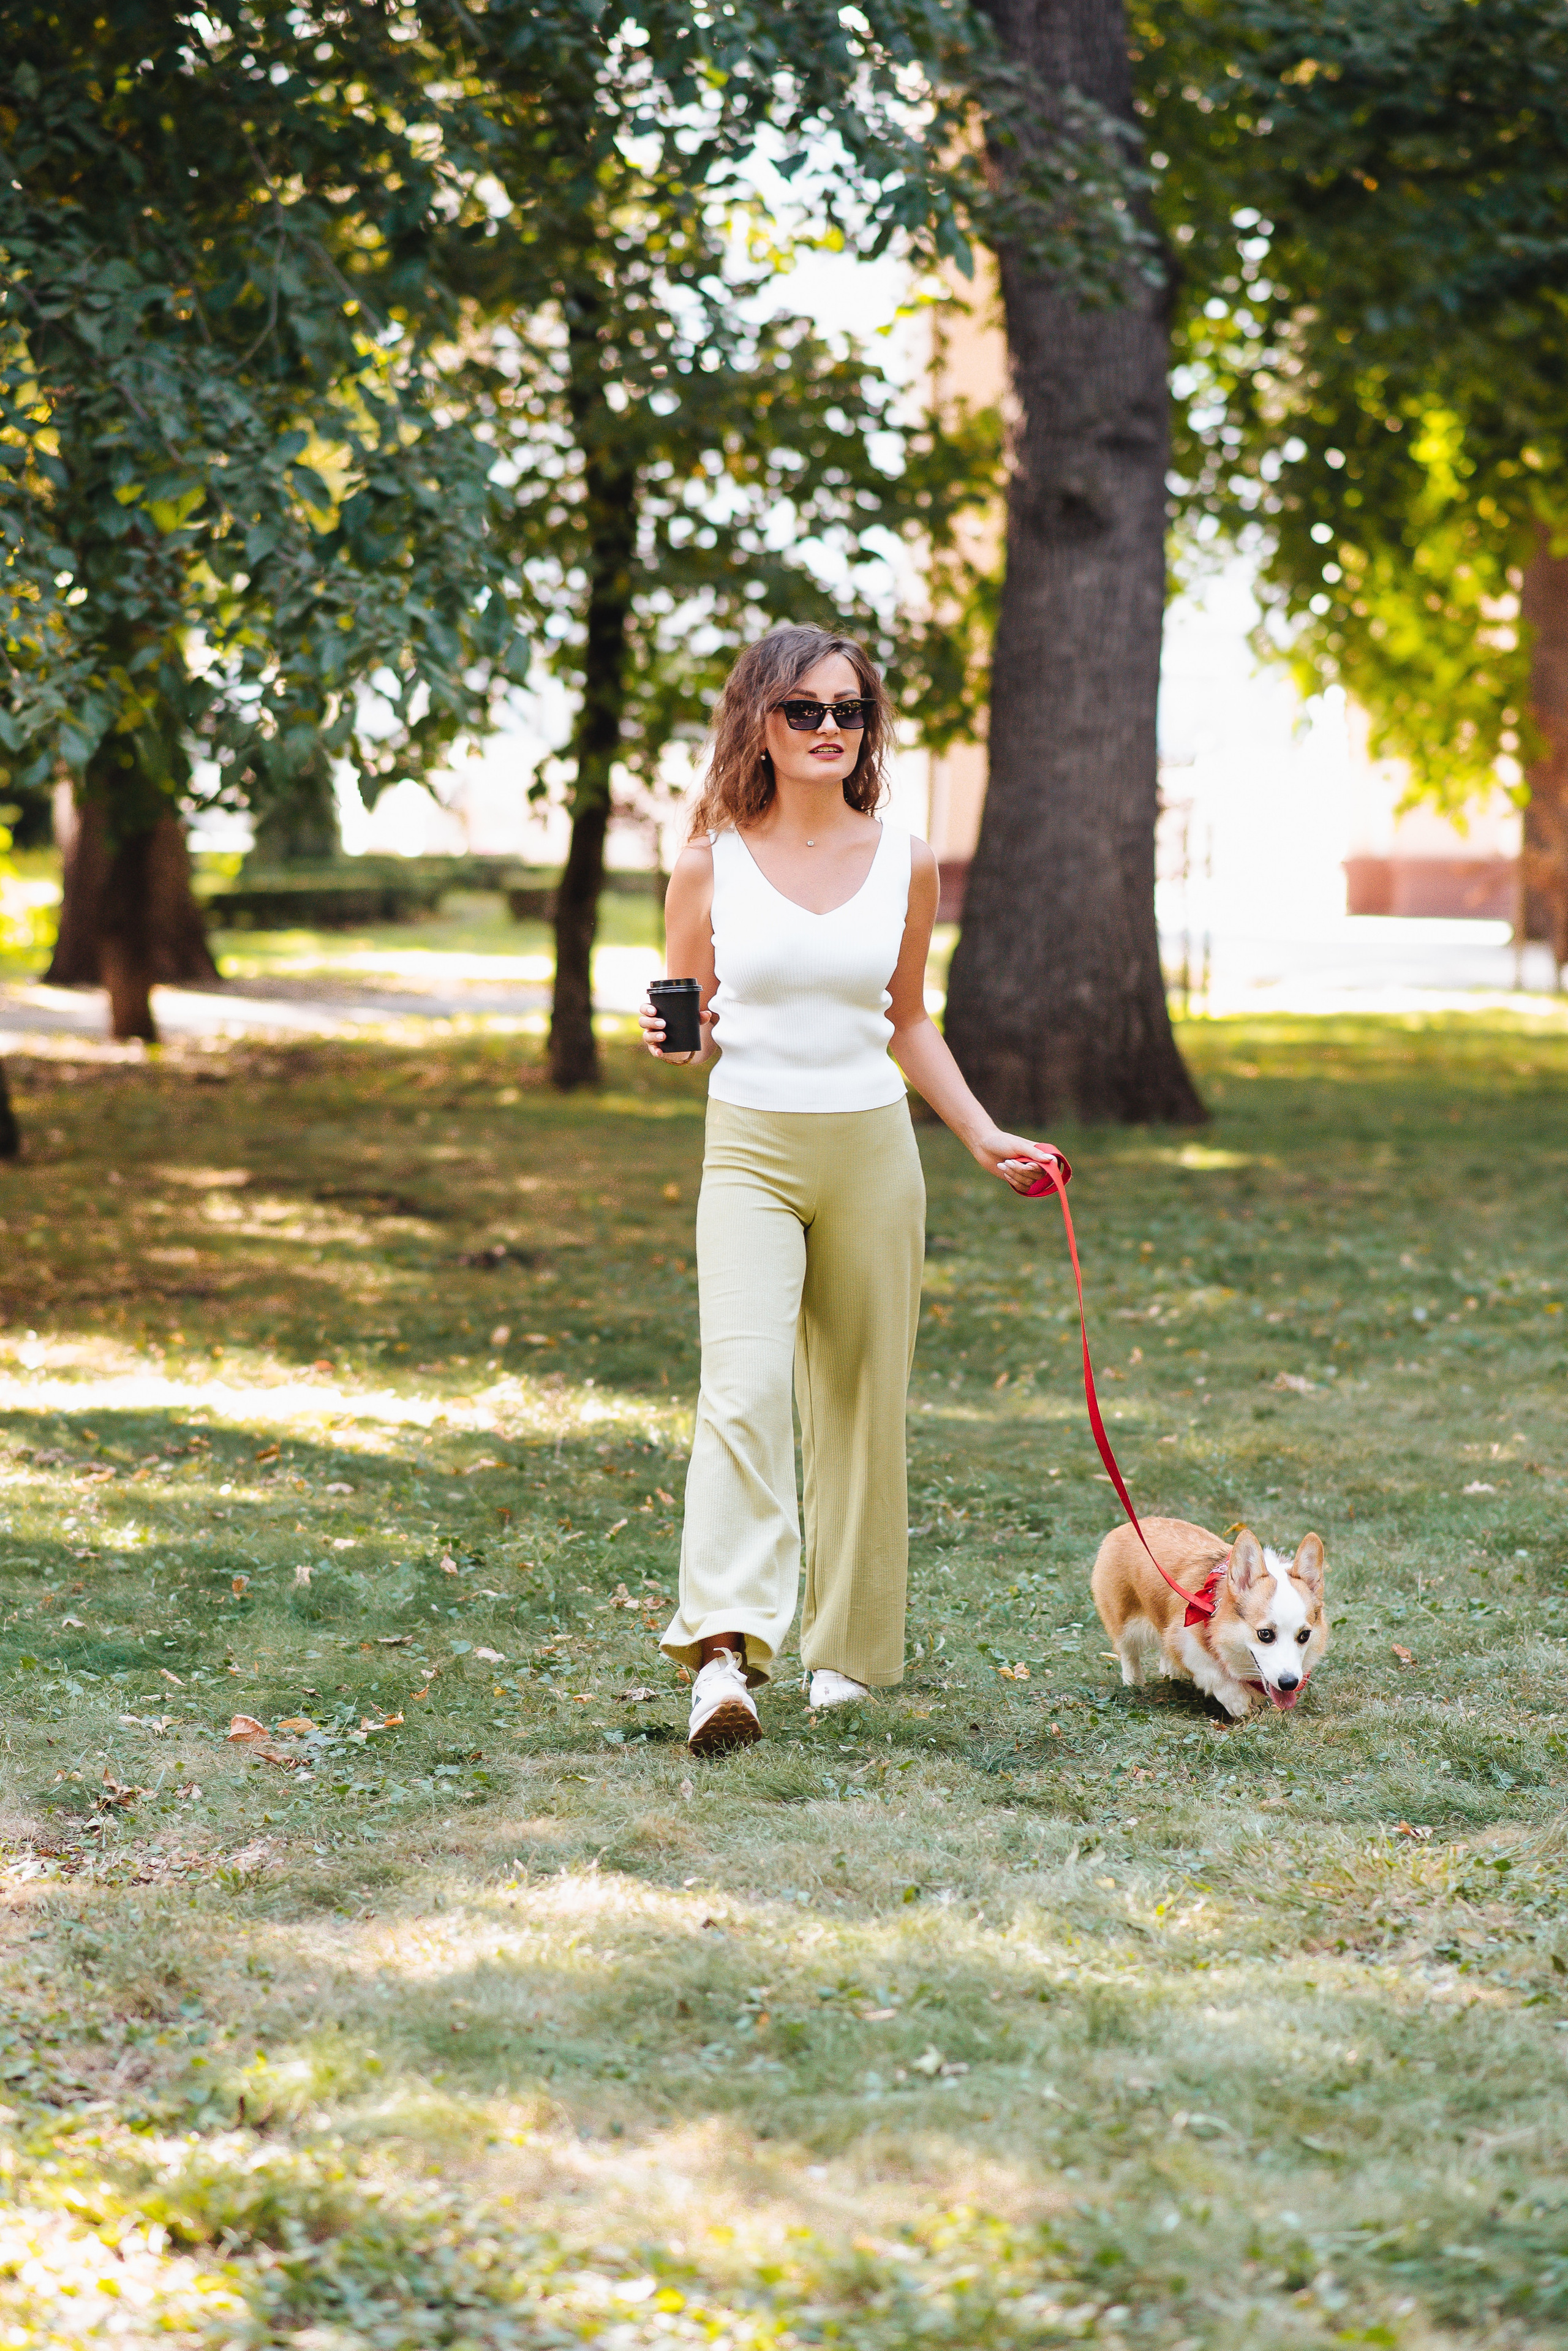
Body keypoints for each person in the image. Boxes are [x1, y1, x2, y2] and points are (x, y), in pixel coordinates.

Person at [639, 625, 1062, 1756]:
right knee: (739, 1391)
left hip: (875, 1148)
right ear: (758, 724)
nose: (830, 729)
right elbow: (694, 1023)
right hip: (752, 1150)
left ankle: (846, 1652)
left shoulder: (908, 859)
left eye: (850, 710)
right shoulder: (707, 863)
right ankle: (722, 1654)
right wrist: (670, 1040)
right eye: (804, 710)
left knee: (864, 1404)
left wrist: (977, 1133)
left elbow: (909, 1017)